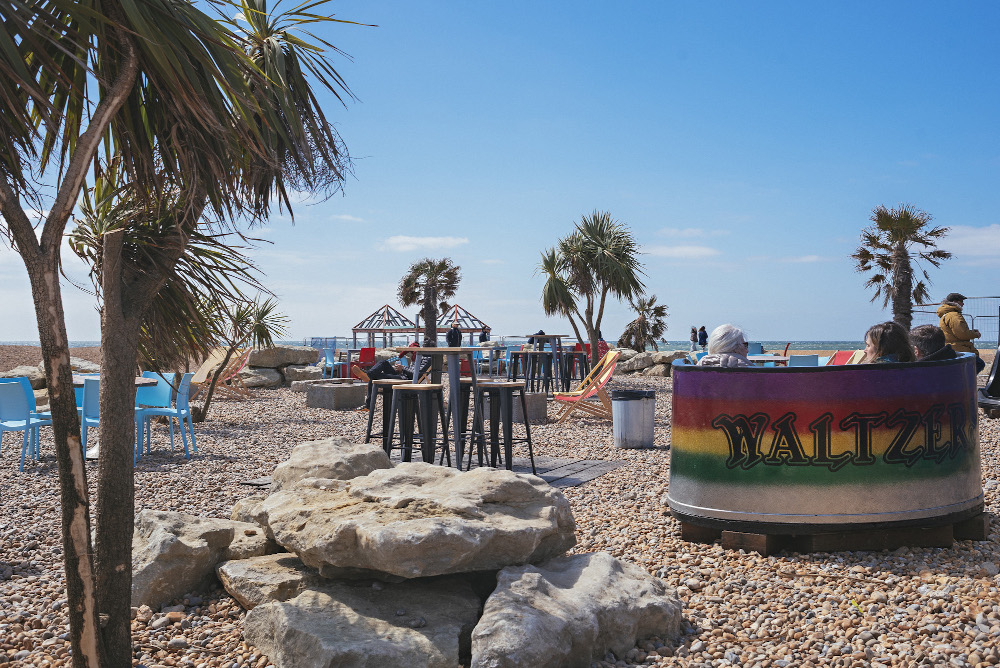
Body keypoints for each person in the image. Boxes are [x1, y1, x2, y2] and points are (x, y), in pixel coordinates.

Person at [937, 292, 985, 373]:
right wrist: (975, 334)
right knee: (979, 364)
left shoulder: (946, 314)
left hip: (952, 348)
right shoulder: (954, 315)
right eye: (961, 301)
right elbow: (962, 334)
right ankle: (964, 383)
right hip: (959, 348)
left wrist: (972, 332)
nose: (963, 304)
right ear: (955, 302)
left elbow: (957, 332)